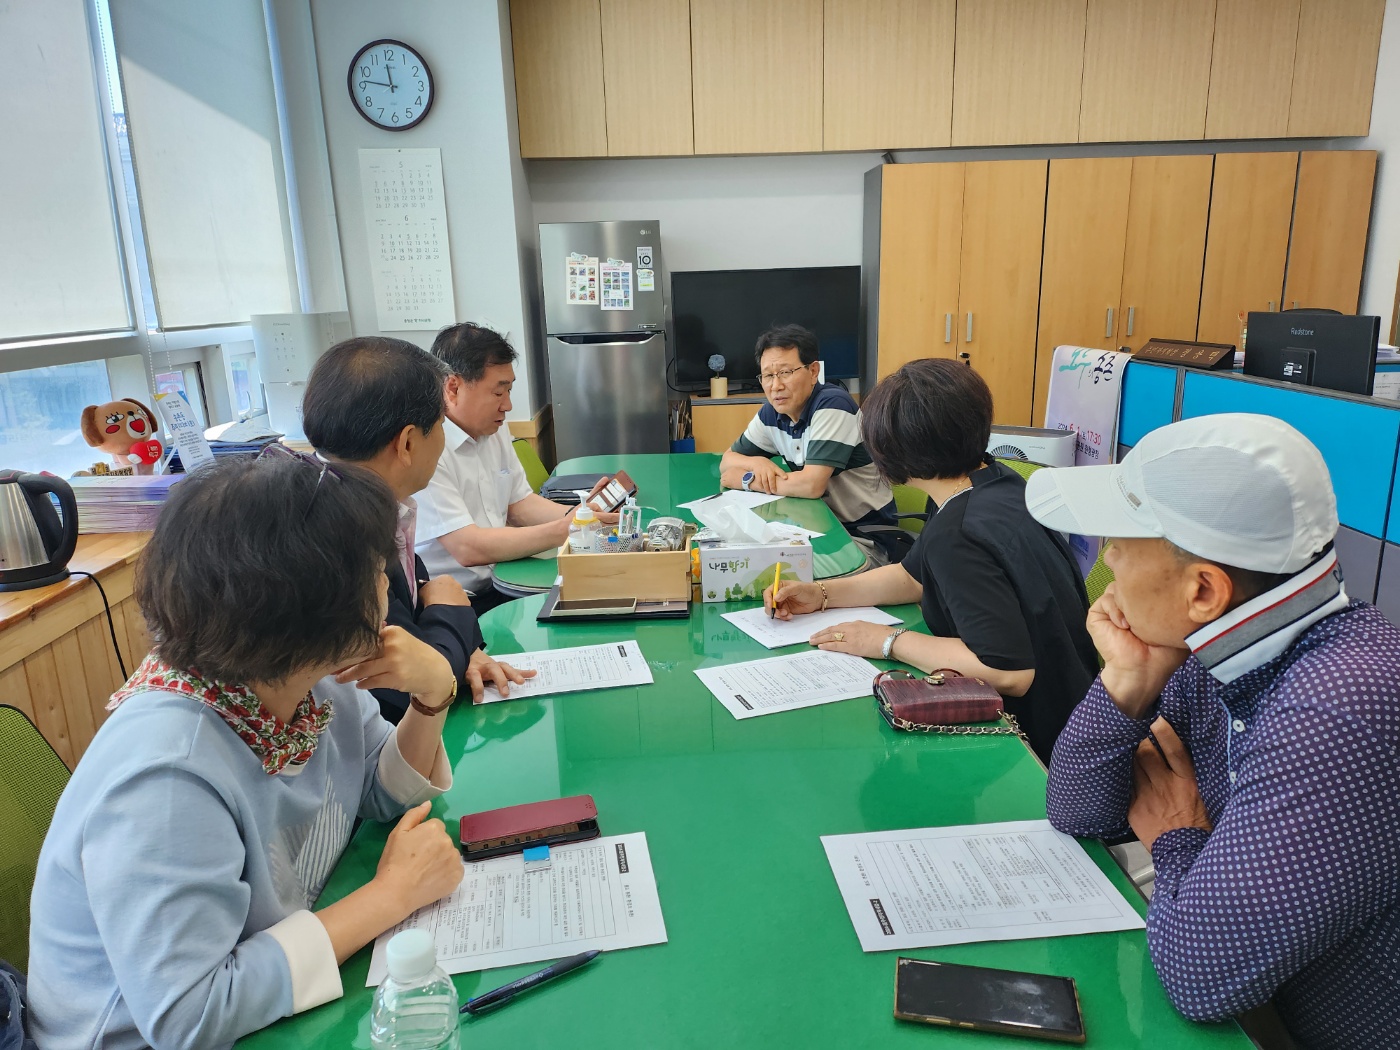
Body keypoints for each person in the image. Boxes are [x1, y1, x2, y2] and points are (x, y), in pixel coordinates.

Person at [26, 453, 467, 1047]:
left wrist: (433, 695)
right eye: (374, 571)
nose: (387, 583)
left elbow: (378, 791)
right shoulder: (167, 775)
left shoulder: (306, 677)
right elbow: (190, 1016)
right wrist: (390, 895)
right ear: (310, 608)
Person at [1029, 414, 1400, 1049]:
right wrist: (1128, 682)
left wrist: (1177, 836)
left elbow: (1199, 977)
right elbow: (1078, 810)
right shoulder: (1212, 654)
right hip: (1268, 1010)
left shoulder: (1338, 710)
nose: (1107, 556)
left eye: (1123, 540)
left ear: (1203, 590)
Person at [766, 359, 1097, 763]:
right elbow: (912, 576)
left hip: (1039, 750)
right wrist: (821, 594)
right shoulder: (997, 483)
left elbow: (1009, 672)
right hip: (1079, 711)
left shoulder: (958, 534)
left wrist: (886, 641)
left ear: (895, 452)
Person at [302, 335, 529, 721]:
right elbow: (408, 683)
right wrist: (451, 612)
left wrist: (464, 649)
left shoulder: (362, 502)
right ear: (407, 443)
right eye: (440, 425)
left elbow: (419, 630)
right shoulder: (341, 540)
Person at [414, 322, 608, 612]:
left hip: (504, 581)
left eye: (509, 390)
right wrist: (563, 529)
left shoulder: (494, 429)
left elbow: (519, 505)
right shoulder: (427, 447)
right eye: (498, 393)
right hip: (453, 602)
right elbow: (467, 547)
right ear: (453, 387)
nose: (507, 405)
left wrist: (582, 515)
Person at [719, 324, 899, 564]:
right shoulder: (772, 413)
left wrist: (746, 480)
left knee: (776, 571)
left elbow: (811, 485)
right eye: (768, 376)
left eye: (785, 372)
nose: (775, 386)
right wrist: (756, 463)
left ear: (813, 371)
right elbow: (727, 462)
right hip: (815, 531)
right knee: (745, 560)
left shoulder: (833, 405)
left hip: (861, 540)